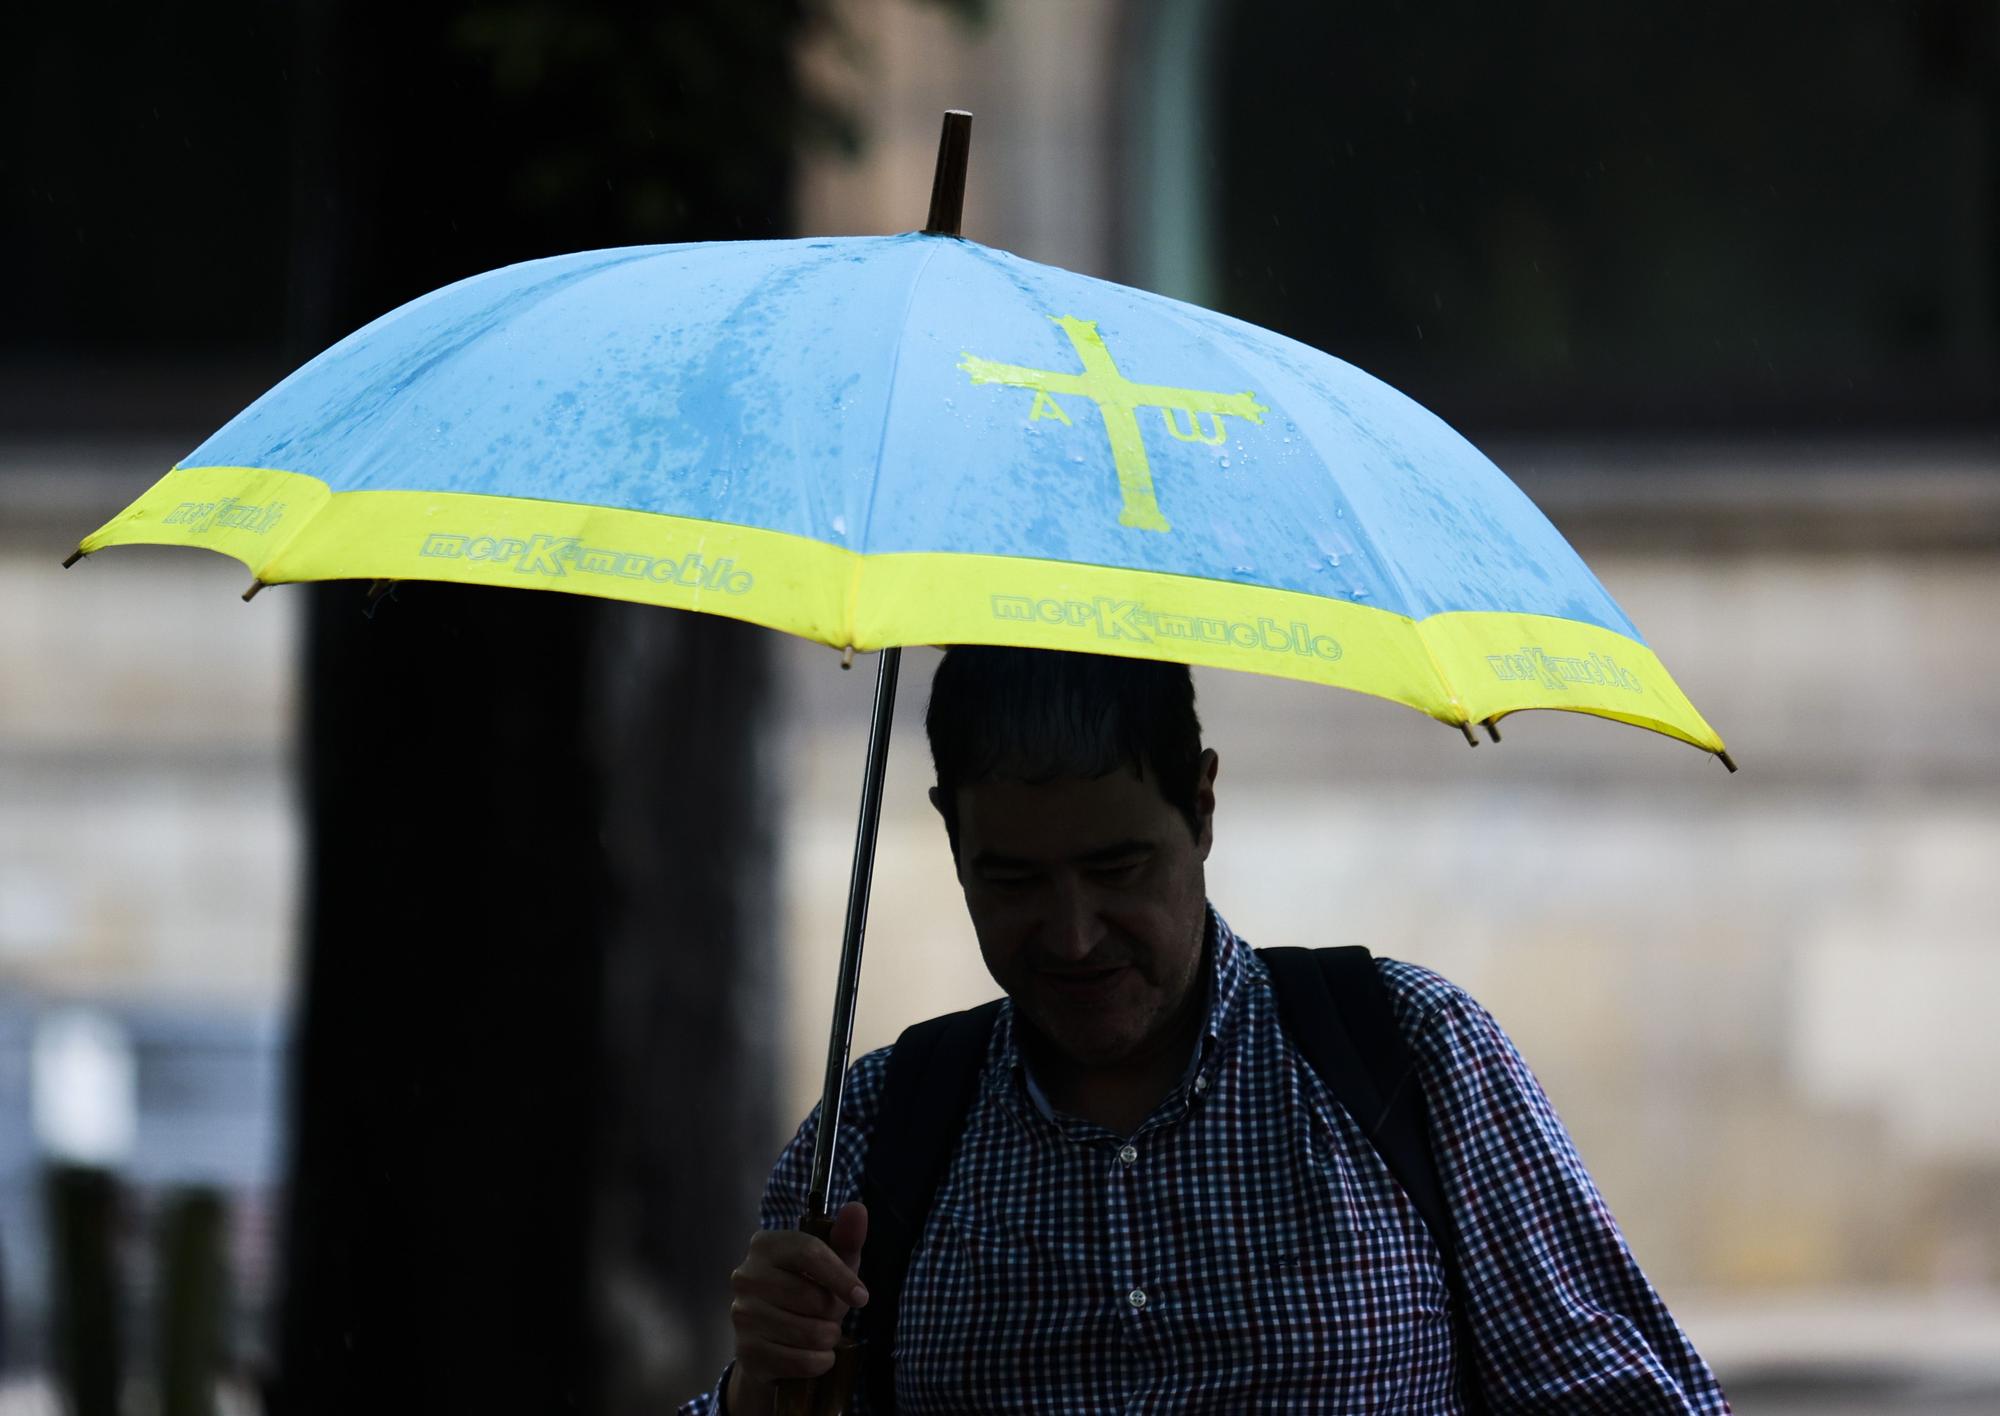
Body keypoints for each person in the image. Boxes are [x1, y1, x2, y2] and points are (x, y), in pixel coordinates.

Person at [682, 647, 1730, 1414]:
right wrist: (757, 1399)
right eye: (1013, 882)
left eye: (1117, 869)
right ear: (949, 840)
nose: (1075, 935)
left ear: (1202, 806)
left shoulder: (1410, 1055)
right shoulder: (873, 1135)